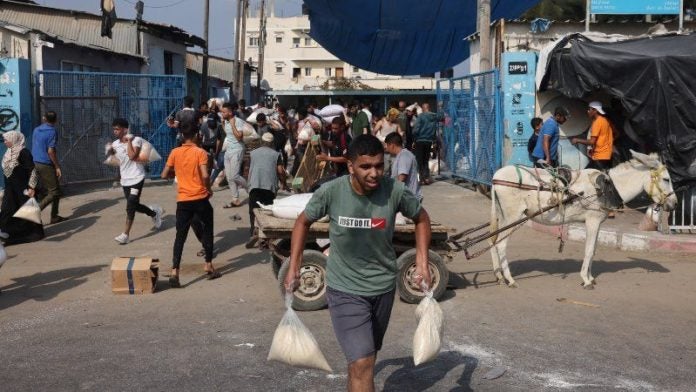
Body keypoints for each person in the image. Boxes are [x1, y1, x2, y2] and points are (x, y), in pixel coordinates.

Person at [284, 134, 432, 392]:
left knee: (364, 361)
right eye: (365, 167)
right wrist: (294, 264)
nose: (374, 173)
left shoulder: (394, 191)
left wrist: (421, 260)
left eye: (379, 165)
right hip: (345, 289)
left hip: (383, 287)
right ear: (351, 166)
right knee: (363, 362)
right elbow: (302, 222)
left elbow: (421, 218)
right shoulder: (332, 191)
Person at [161, 124, 220, 287]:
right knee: (208, 229)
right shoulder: (200, 152)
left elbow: (164, 174)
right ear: (194, 136)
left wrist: (179, 172)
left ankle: (175, 271)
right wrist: (208, 189)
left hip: (183, 200)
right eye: (199, 135)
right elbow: (206, 174)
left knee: (180, 236)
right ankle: (208, 265)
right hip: (200, 198)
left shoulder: (175, 152)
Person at [109, 118, 163, 244]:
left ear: (125, 129)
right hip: (125, 180)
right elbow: (119, 161)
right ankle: (154, 213)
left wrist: (128, 141)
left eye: (117, 129)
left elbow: (132, 156)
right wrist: (118, 174)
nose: (115, 131)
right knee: (134, 205)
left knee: (130, 206)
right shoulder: (115, 144)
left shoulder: (136, 140)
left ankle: (125, 235)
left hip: (137, 177)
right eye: (114, 129)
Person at [0, 131, 44, 245]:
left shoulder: (24, 152)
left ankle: (35, 233)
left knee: (27, 210)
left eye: (6, 140)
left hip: (23, 188)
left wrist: (32, 187)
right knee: (7, 209)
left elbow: (32, 170)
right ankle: (10, 233)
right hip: (11, 189)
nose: (5, 142)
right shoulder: (9, 153)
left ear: (14, 139)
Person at [245, 132, 285, 248]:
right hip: (269, 187)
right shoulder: (276, 154)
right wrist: (283, 183)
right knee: (267, 212)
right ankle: (265, 239)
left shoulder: (253, 153)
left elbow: (247, 168)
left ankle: (254, 231)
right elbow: (281, 171)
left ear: (262, 142)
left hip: (254, 185)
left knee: (254, 211)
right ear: (272, 143)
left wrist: (248, 182)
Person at [31, 111, 66, 224]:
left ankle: (54, 216)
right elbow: (50, 151)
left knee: (56, 189)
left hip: (35, 161)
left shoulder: (36, 129)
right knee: (54, 192)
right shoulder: (52, 131)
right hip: (46, 163)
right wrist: (57, 166)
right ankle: (34, 211)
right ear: (55, 120)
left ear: (44, 118)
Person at [571, 101, 614, 171]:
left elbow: (592, 142)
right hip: (608, 154)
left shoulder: (597, 122)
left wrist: (577, 140)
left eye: (589, 109)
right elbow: (613, 134)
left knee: (585, 175)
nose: (588, 111)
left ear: (595, 110)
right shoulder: (605, 120)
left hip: (600, 156)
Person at [220, 102, 248, 207]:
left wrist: (232, 125)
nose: (222, 113)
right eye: (222, 111)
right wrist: (224, 124)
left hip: (237, 150)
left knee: (235, 175)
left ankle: (250, 188)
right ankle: (235, 199)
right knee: (229, 177)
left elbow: (239, 137)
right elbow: (228, 133)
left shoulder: (238, 121)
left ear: (230, 112)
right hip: (228, 151)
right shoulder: (226, 121)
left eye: (224, 112)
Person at [412, 102, 444, 185]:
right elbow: (441, 117)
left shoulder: (421, 116)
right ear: (429, 108)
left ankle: (421, 178)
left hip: (420, 141)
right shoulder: (433, 116)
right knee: (426, 160)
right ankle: (427, 178)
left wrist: (414, 138)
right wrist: (440, 107)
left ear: (423, 108)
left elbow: (416, 129)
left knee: (419, 160)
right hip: (429, 141)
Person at [384, 132, 421, 201]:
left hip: (409, 199)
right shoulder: (402, 155)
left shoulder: (404, 156)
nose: (386, 148)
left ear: (392, 145)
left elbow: (401, 178)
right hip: (406, 198)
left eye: (387, 146)